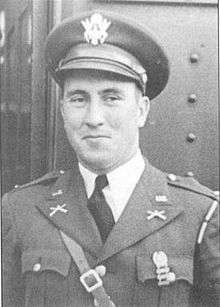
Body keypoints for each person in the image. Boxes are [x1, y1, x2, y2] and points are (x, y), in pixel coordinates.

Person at [2, 10, 219, 307]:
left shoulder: (199, 214)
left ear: (141, 110)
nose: (94, 118)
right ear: (64, 109)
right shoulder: (19, 211)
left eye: (111, 97)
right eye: (79, 98)